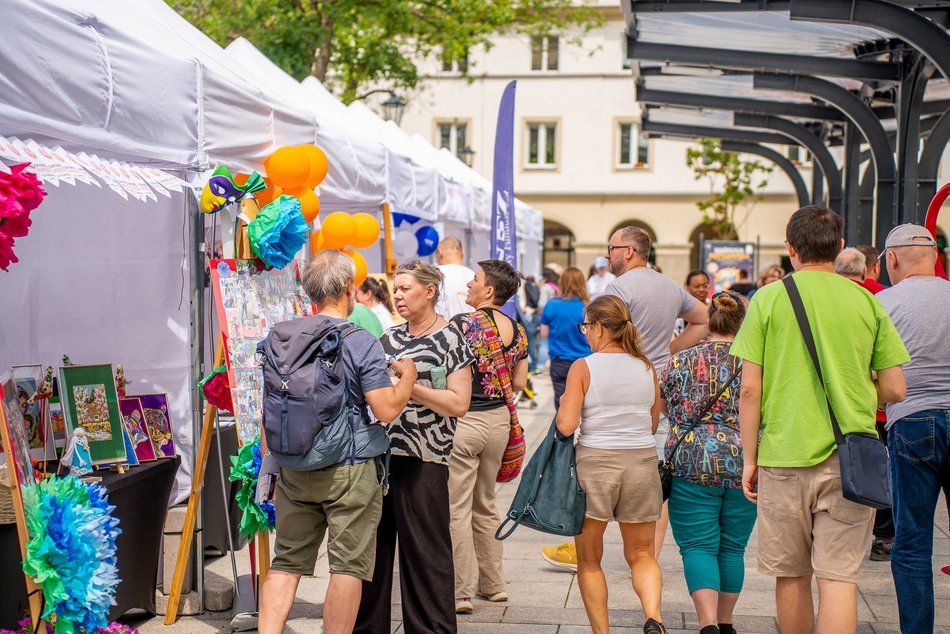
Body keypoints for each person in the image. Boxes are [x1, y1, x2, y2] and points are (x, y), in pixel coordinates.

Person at [731, 205, 908, 634]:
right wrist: (857, 389)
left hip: (783, 455)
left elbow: (749, 389)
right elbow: (896, 389)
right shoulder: (867, 300)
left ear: (790, 249)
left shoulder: (768, 300)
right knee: (839, 579)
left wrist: (749, 459)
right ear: (841, 248)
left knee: (791, 575)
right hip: (850, 459)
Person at [258, 250, 418, 634]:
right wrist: (408, 378)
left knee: (286, 562)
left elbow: (268, 409)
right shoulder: (360, 340)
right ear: (349, 288)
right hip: (349, 468)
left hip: (295, 466)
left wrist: (272, 463)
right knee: (347, 566)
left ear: (308, 291)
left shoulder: (281, 335)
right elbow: (384, 410)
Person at [542, 227, 709, 571]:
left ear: (630, 251)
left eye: (612, 248)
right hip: (658, 385)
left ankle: (586, 551)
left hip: (620, 384)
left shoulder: (617, 288)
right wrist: (668, 351)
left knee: (600, 480)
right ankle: (647, 555)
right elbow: (703, 318)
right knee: (656, 481)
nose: (608, 254)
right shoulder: (668, 285)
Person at [355, 259, 475, 634]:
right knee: (371, 555)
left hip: (426, 458)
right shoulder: (388, 338)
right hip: (381, 457)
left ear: (430, 290)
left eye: (406, 288)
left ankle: (432, 628)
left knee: (426, 554)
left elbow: (459, 403)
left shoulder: (452, 339)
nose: (398, 295)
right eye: (395, 289)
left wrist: (410, 385)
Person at [555, 295, 667, 634]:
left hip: (596, 465)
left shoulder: (584, 367)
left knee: (589, 560)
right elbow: (651, 425)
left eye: (587, 326)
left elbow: (566, 425)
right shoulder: (647, 367)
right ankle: (653, 617)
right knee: (643, 555)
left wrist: (565, 401)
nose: (585, 333)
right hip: (642, 464)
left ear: (601, 328)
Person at [660, 291, 754, 634]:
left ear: (706, 322)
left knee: (698, 545)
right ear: (742, 322)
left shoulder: (680, 360)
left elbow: (666, 407)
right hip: (745, 463)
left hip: (691, 462)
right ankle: (727, 622)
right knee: (733, 547)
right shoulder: (755, 361)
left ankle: (708, 623)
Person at [876, 223, 950, 634]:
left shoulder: (884, 303)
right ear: (936, 255)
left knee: (912, 542)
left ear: (892, 258)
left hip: (912, 420)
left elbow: (873, 369)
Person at [449, 260, 529, 615]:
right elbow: (520, 384)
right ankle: (494, 585)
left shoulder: (462, 325)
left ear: (489, 290)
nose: (469, 283)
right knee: (486, 503)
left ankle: (460, 592)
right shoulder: (518, 330)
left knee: (456, 508)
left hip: (466, 421)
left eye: (475, 280)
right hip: (499, 421)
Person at [834, 246, 894, 561]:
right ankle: (883, 535)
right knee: (880, 474)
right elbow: (895, 385)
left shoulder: (821, 300)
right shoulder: (877, 299)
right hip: (875, 413)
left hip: (826, 420)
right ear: (873, 268)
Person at [539, 267, 592, 408]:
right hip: (586, 362)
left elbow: (544, 334)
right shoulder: (589, 307)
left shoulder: (552, 305)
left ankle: (564, 431)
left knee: (563, 407)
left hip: (560, 362)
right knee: (587, 407)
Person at [435, 236, 475, 320]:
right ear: (463, 253)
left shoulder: (437, 273)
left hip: (446, 330)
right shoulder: (473, 275)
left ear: (440, 251)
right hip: (472, 331)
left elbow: (437, 312)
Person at [535, 267, 562, 373]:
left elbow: (541, 304)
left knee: (543, 341)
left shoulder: (546, 287)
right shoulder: (556, 287)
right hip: (556, 316)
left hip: (546, 315)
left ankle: (540, 366)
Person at [673, 270, 710, 337]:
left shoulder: (715, 309)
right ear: (687, 287)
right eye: (697, 286)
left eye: (705, 285)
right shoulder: (680, 313)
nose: (701, 289)